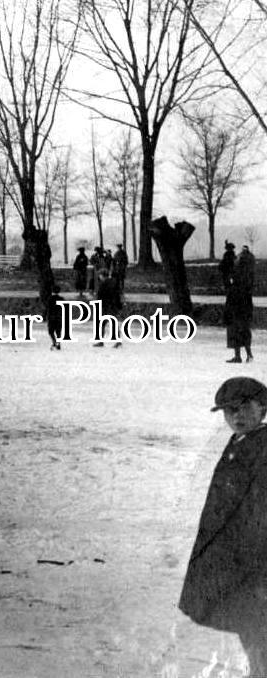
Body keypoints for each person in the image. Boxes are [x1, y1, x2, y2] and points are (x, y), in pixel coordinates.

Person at [180, 377, 267, 676]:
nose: (237, 417)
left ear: (263, 407)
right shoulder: (240, 441)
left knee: (259, 624)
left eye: (244, 408)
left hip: (256, 555)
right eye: (229, 411)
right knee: (250, 623)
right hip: (237, 553)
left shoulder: (263, 446)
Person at [225, 276, 254, 363]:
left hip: (235, 314)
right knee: (244, 334)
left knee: (235, 334)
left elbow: (230, 303)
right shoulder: (246, 289)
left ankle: (238, 356)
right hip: (243, 315)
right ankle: (249, 354)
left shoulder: (233, 289)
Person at [92, 270, 122, 348]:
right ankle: (118, 341)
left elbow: (100, 297)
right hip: (113, 306)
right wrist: (118, 305)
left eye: (100, 275)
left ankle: (101, 341)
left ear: (102, 276)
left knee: (102, 324)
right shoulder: (114, 283)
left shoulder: (103, 284)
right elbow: (117, 295)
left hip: (105, 307)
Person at [46, 285, 64, 350]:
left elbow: (48, 308)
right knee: (58, 332)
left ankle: (54, 341)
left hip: (51, 317)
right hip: (59, 317)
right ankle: (58, 343)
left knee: (51, 331)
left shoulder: (50, 299)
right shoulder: (61, 299)